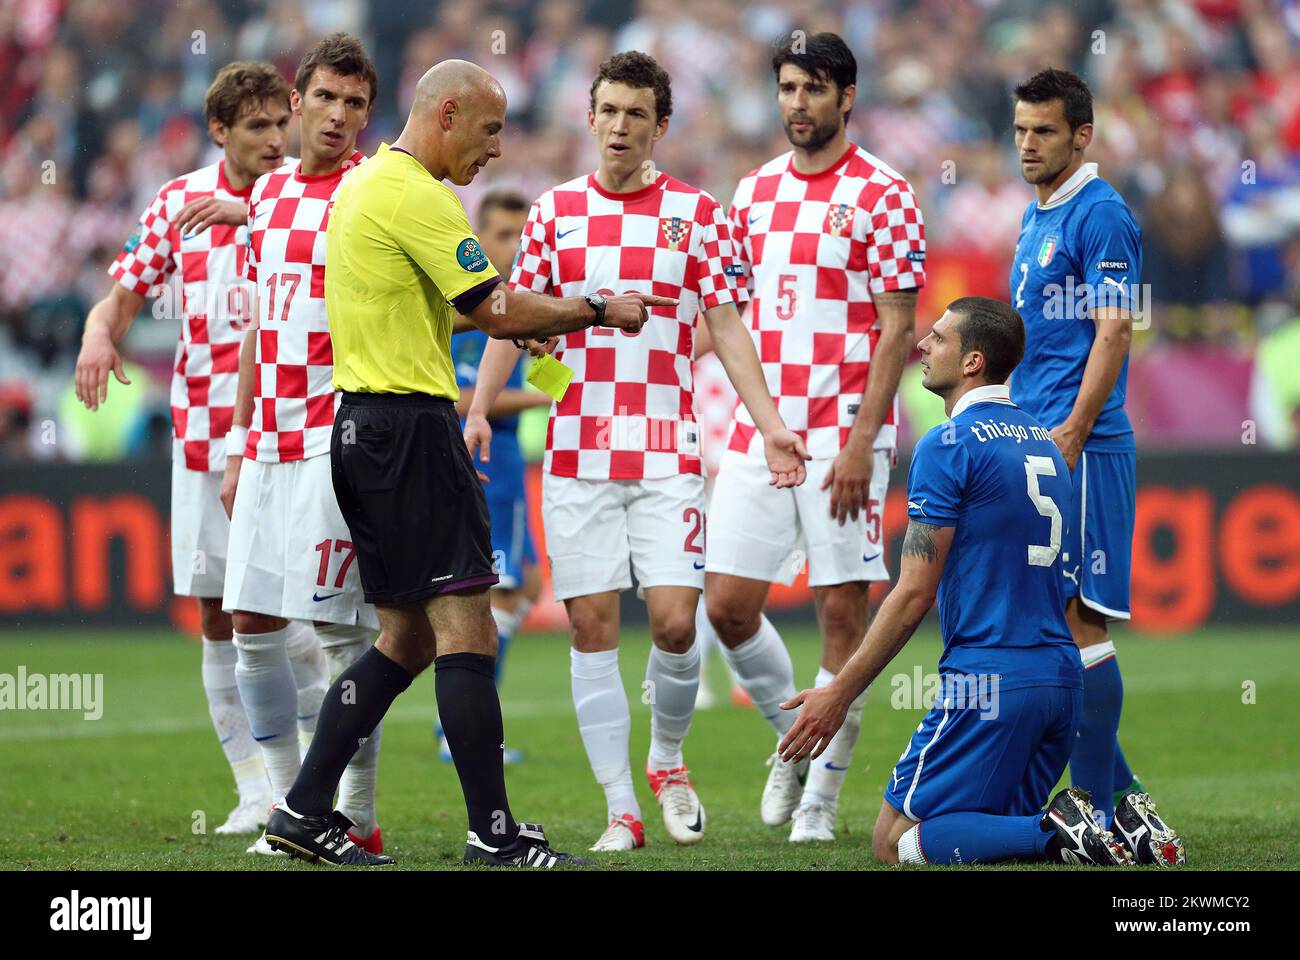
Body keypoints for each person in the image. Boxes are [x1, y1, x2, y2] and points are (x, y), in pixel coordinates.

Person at [264, 58, 675, 868]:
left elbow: (427, 312)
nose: (493, 150)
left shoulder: (366, 183)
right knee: (467, 630)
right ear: (447, 114)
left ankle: (302, 808)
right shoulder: (417, 193)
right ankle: (493, 835)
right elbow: (492, 304)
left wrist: (506, 323)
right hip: (410, 432)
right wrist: (598, 309)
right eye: (489, 131)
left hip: (364, 428)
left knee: (406, 640)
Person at [466, 51, 808, 853]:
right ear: (590, 117)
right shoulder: (553, 213)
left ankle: (665, 759)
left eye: (636, 114)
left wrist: (769, 424)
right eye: (608, 111)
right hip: (579, 451)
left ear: (661, 125)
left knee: (676, 626)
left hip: (665, 453)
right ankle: (621, 810)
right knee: (589, 626)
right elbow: (513, 316)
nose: (619, 126)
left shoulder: (698, 215)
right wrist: (480, 407)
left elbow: (726, 327)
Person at [781, 297, 1166, 866]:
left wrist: (841, 692)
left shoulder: (948, 445)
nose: (923, 346)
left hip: (989, 683)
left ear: (972, 362)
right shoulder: (1045, 442)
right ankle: (1110, 829)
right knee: (988, 835)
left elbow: (913, 593)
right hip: (1061, 681)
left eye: (938, 338)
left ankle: (1061, 834)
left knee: (891, 842)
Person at [72, 61, 329, 838]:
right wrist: (94, 335)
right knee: (219, 614)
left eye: (280, 124)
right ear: (219, 131)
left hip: (293, 433)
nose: (275, 140)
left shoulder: (307, 197)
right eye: (257, 127)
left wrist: (250, 210)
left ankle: (319, 780)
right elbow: (121, 296)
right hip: (202, 438)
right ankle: (254, 787)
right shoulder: (177, 201)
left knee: (302, 615)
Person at [699, 32, 925, 843]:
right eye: (788, 88)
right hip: (764, 434)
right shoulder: (752, 193)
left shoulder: (886, 194)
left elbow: (899, 330)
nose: (798, 103)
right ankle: (790, 743)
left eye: (814, 89)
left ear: (847, 97)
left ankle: (822, 803)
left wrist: (865, 439)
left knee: (840, 619)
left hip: (843, 438)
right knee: (725, 606)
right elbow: (726, 316)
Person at [1009, 67, 1183, 862]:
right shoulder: (1034, 215)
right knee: (1048, 629)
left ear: (1082, 135)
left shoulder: (1102, 213)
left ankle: (1097, 816)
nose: (1027, 145)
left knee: (1082, 622)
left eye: (1043, 131)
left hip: (1082, 443)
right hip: (1037, 438)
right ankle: (1131, 809)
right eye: (1019, 130)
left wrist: (1073, 431)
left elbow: (1114, 333)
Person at [220, 34, 385, 856]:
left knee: (339, 633)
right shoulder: (269, 194)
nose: (339, 116)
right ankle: (289, 801)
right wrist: (237, 441)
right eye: (326, 98)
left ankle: (352, 808)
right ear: (296, 100)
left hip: (337, 435)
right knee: (250, 617)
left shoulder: (375, 192)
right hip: (269, 436)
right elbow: (255, 325)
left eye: (355, 104)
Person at [436, 188, 550, 765]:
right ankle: (457, 732)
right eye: (503, 235)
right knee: (494, 593)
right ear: (478, 240)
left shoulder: (517, 302)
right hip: (484, 457)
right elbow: (460, 397)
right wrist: (542, 396)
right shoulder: (475, 311)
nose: (514, 245)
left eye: (520, 234)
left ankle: (460, 724)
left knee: (523, 585)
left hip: (505, 461)